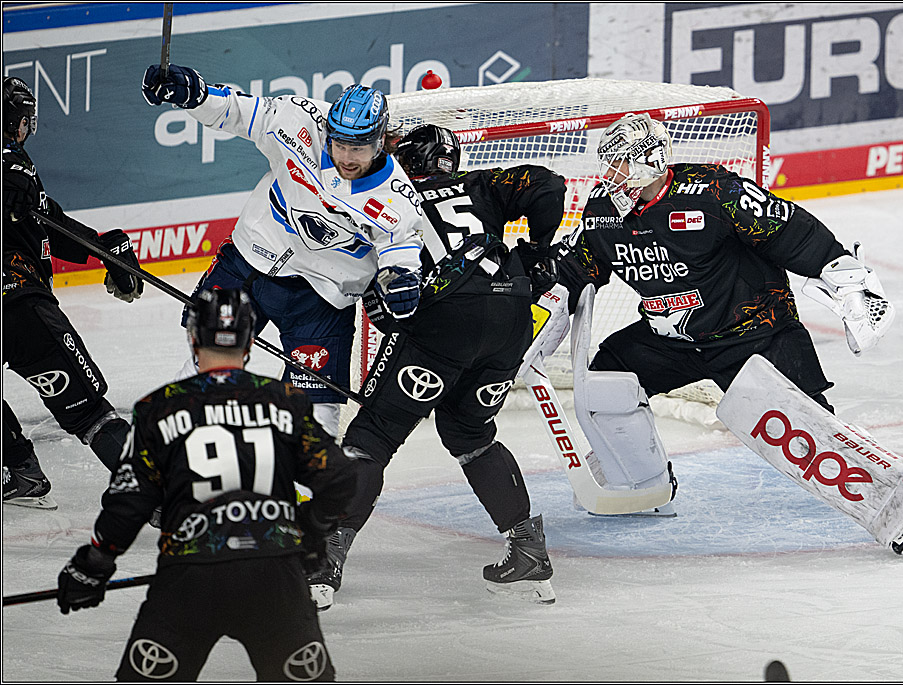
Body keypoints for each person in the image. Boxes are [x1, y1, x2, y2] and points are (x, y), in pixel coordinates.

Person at [540, 112, 903, 558]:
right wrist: (547, 299)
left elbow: (788, 229)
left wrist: (842, 272)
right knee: (605, 384)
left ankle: (901, 517)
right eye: (608, 164)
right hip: (671, 341)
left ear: (651, 160)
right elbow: (581, 268)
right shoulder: (602, 212)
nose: (610, 175)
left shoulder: (712, 191)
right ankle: (639, 485)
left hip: (756, 334)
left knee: (808, 429)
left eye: (620, 164)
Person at [302, 124, 567, 610]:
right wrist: (539, 252)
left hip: (447, 322)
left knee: (372, 439)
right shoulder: (482, 185)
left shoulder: (389, 197)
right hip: (513, 317)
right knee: (471, 434)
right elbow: (549, 184)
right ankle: (528, 548)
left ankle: (324, 558)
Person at [56, 288, 361, 681]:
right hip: (274, 578)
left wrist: (93, 566)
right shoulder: (286, 403)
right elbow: (341, 478)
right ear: (251, 340)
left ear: (193, 337)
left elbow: (129, 503)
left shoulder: (159, 409)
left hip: (189, 579)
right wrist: (308, 534)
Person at [140, 65, 425, 438]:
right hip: (251, 264)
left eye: (360, 148)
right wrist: (196, 95)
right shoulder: (297, 120)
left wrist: (403, 278)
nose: (348, 157)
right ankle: (163, 450)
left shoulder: (397, 196)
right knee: (207, 365)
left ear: (381, 142)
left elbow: (401, 248)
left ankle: (311, 494)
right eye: (341, 145)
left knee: (314, 414)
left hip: (321, 300)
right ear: (328, 132)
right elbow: (240, 112)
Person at [3, 76, 144, 510]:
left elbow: (49, 223)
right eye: (25, 119)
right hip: (20, 304)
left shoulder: (18, 171)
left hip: (19, 302)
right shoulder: (13, 168)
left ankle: (18, 468)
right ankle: (158, 497)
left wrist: (105, 248)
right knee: (88, 412)